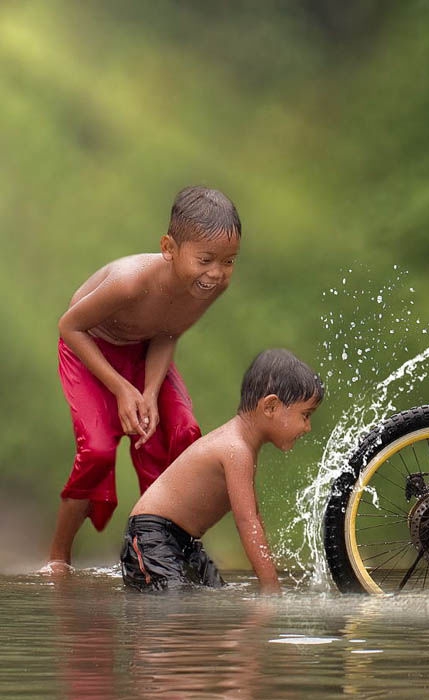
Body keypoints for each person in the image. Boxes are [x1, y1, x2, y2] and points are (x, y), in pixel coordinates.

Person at [43, 186, 242, 574]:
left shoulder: (212, 285)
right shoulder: (129, 282)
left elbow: (168, 332)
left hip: (146, 351)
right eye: (205, 259)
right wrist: (120, 388)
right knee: (98, 450)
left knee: (181, 432)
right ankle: (57, 557)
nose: (216, 273)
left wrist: (150, 393)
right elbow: (70, 327)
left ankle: (162, 544)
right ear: (168, 248)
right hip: (91, 351)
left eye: (229, 261)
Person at [120, 348, 324, 593]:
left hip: (182, 541)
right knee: (174, 604)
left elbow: (253, 517)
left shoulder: (243, 448)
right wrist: (271, 589)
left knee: (216, 597)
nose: (308, 427)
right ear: (270, 407)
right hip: (151, 536)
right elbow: (247, 522)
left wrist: (271, 581)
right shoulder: (236, 449)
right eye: (305, 415)